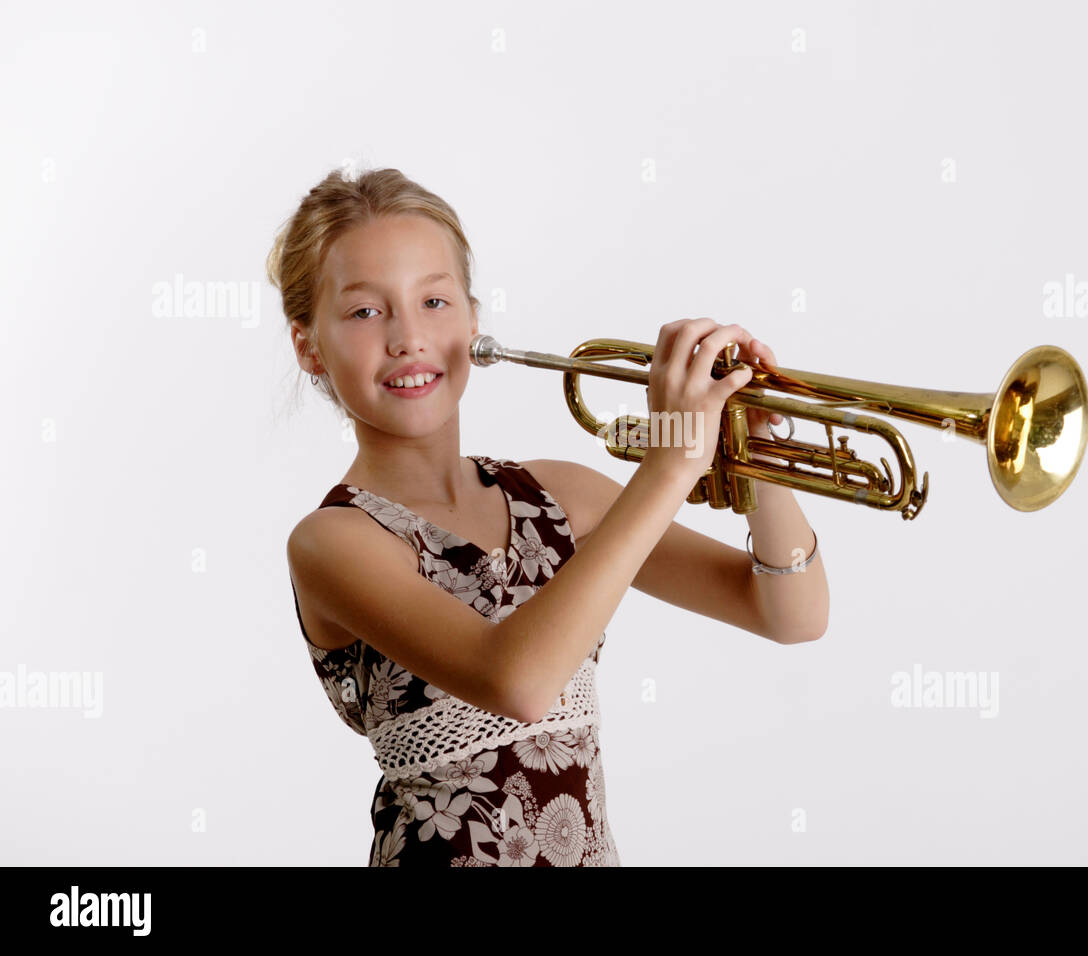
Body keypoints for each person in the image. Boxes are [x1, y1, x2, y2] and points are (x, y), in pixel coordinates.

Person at [267, 166, 829, 866]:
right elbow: (518, 681)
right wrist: (671, 465)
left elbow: (789, 615)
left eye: (434, 301)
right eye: (364, 312)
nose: (408, 337)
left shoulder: (559, 497)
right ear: (308, 345)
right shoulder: (332, 542)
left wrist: (760, 451)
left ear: (474, 318)